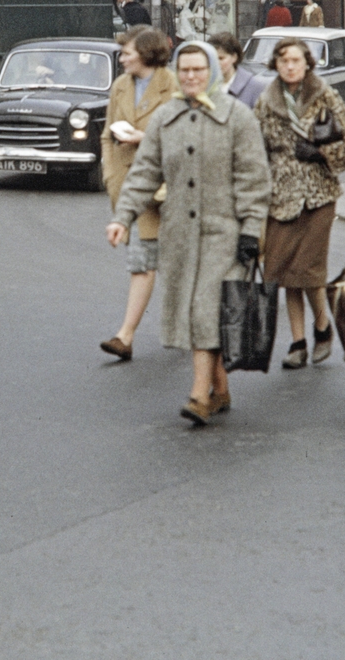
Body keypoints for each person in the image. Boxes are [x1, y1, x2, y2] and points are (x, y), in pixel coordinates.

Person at [107, 42, 272, 426]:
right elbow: (144, 173)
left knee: (206, 310)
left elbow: (254, 179)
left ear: (213, 71)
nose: (192, 76)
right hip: (179, 233)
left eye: (200, 69)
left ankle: (199, 396)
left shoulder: (238, 117)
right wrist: (123, 217)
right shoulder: (166, 118)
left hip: (225, 233)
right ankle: (220, 390)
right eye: (185, 70)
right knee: (197, 311)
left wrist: (251, 230)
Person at [254, 37, 345, 369]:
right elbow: (254, 149)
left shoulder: (324, 96)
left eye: (296, 60)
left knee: (307, 269)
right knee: (283, 271)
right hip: (280, 199)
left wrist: (322, 154)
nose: (290, 66)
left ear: (307, 64)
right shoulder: (266, 101)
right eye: (283, 60)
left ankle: (321, 327)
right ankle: (298, 342)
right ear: (275, 64)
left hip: (318, 198)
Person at [98, 27, 179, 360]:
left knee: (178, 265)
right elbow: (107, 135)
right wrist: (110, 175)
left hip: (168, 189)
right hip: (133, 188)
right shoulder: (120, 86)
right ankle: (125, 336)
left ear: (146, 53)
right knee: (142, 262)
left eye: (128, 51)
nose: (122, 57)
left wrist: (140, 137)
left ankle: (183, 327)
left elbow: (181, 135)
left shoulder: (172, 84)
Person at [208, 30, 261, 108]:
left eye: (221, 58)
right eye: (212, 58)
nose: (216, 63)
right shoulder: (205, 86)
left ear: (234, 57)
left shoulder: (255, 86)